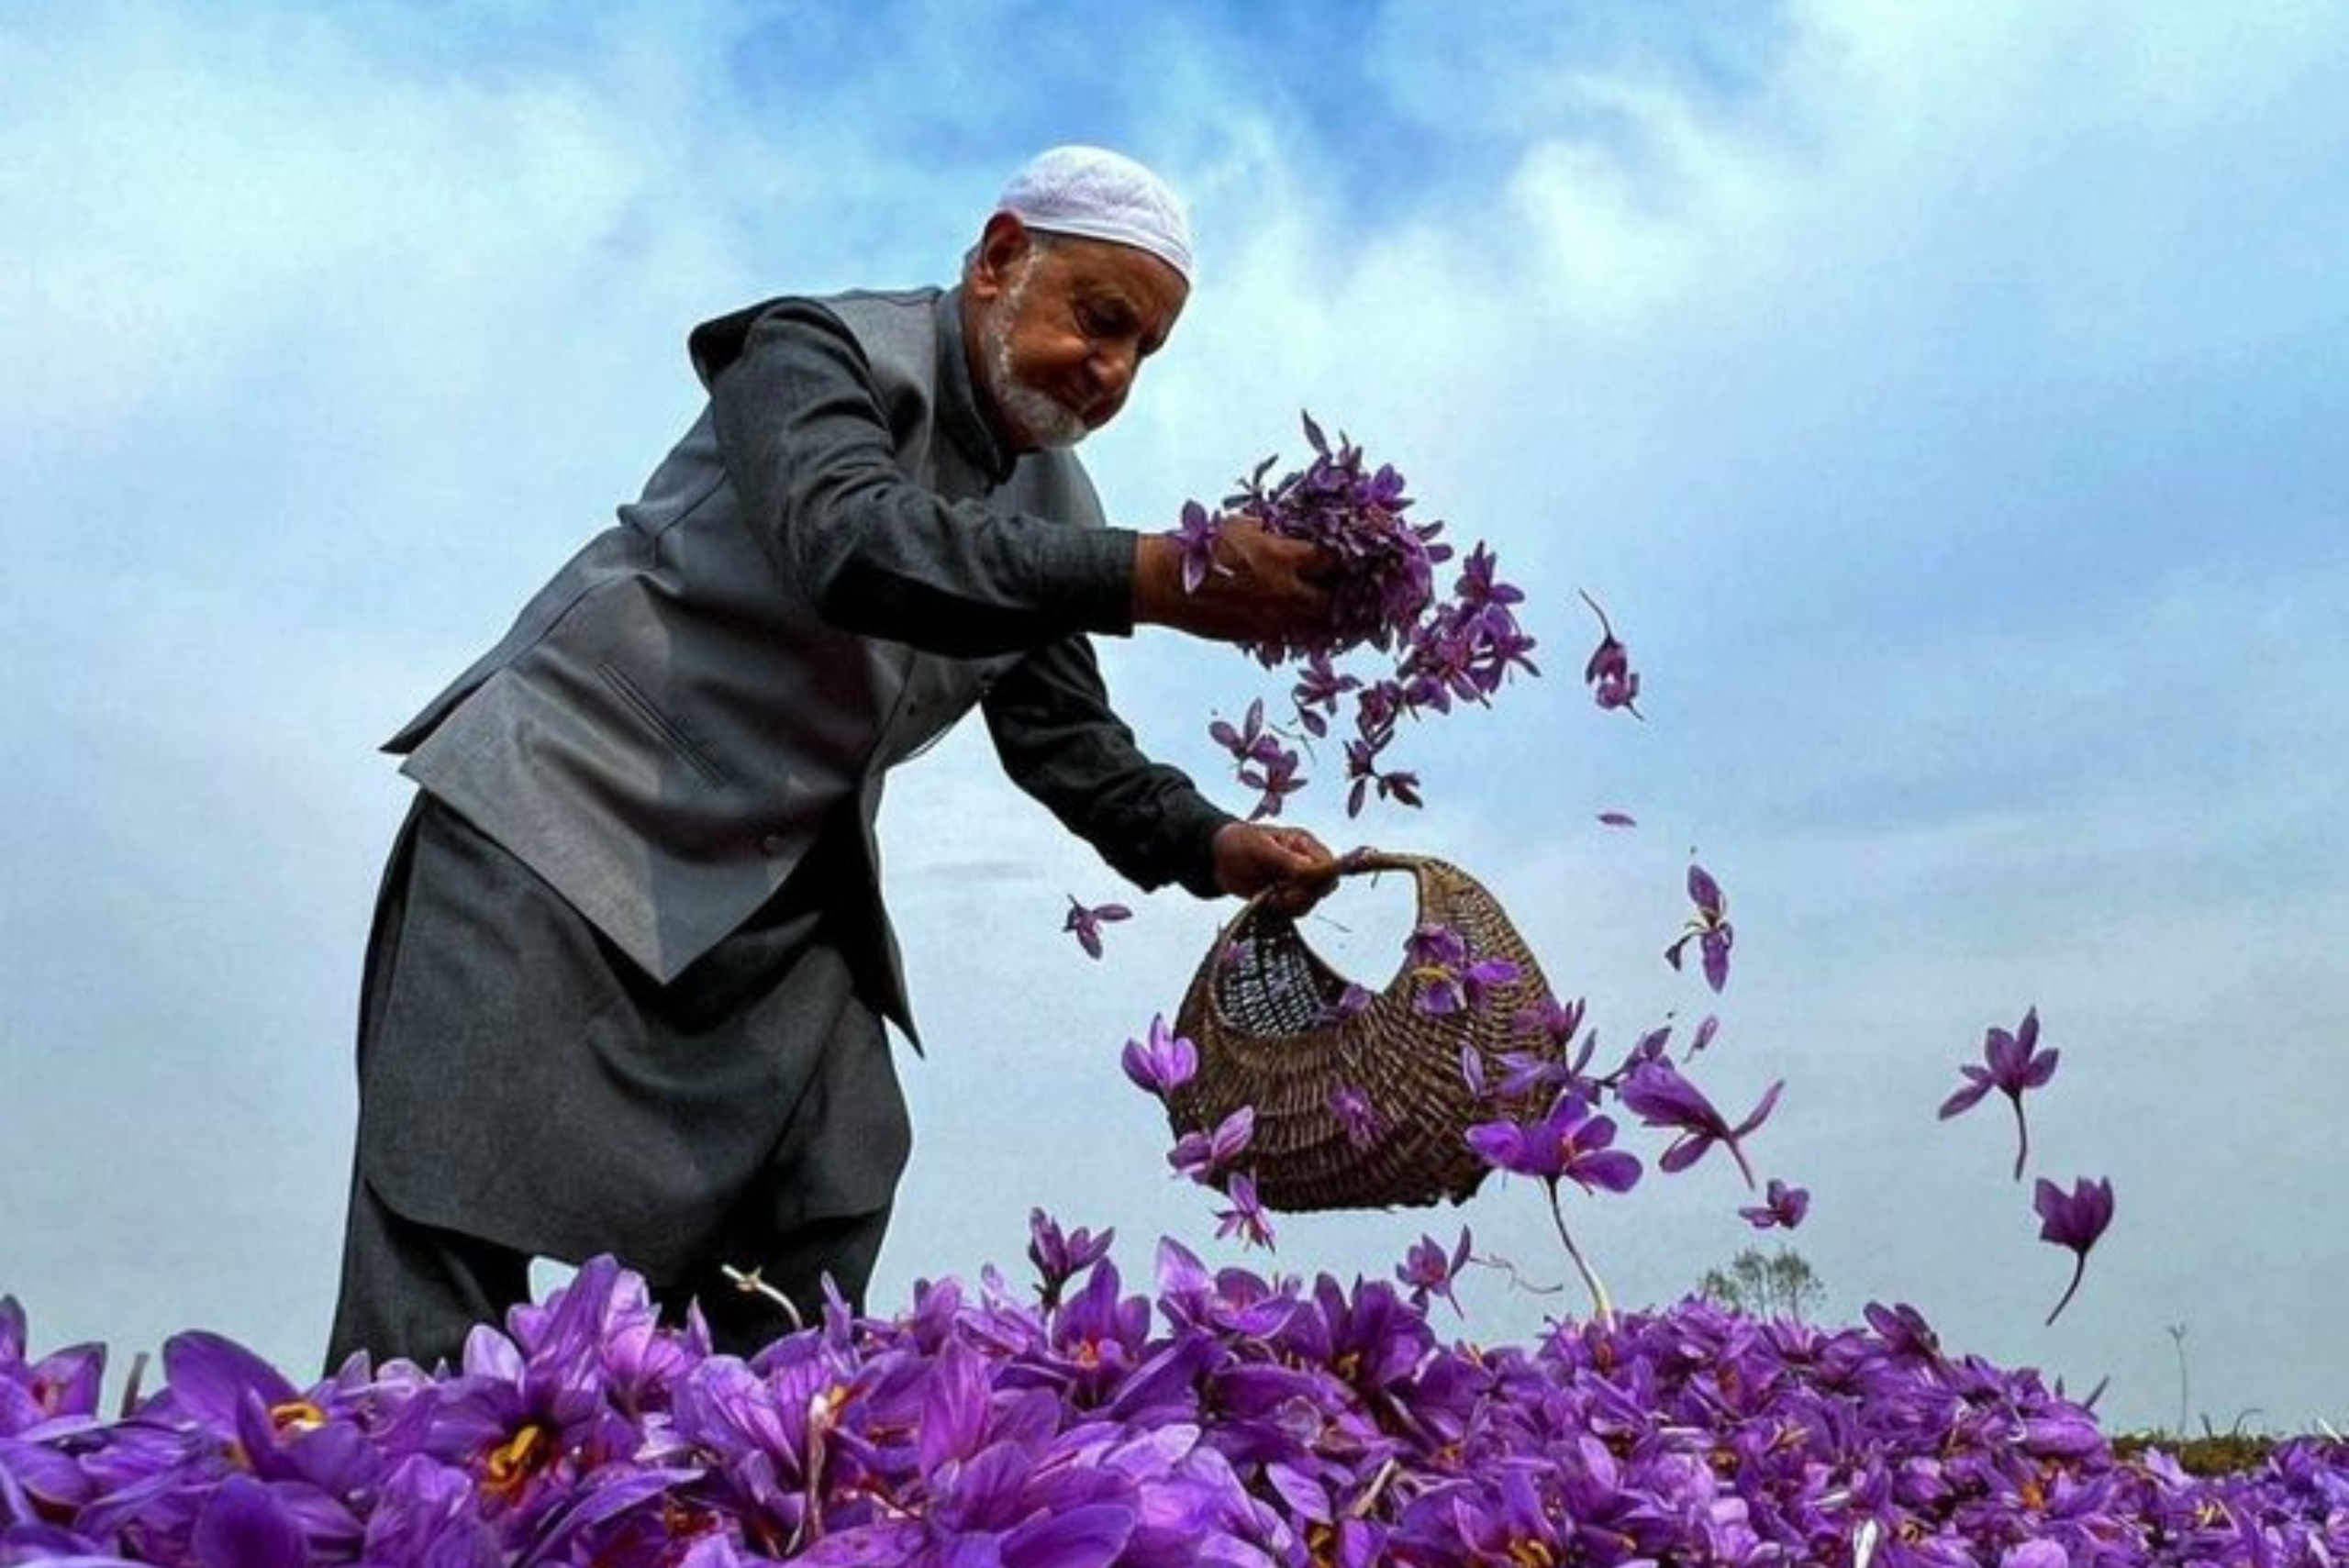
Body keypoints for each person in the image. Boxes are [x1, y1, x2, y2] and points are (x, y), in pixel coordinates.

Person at [327, 145, 1341, 1369]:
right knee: (449, 1215)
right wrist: (1164, 573)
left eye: (1141, 352)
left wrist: (1213, 841)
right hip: (566, 815)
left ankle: (715, 1491)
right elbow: (850, 543)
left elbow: (1067, 737)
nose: (1112, 370)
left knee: (838, 1162)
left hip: (767, 894)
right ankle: (387, 1500)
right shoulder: (815, 354)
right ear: (1002, 256)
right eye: (1102, 320)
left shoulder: (1057, 509)